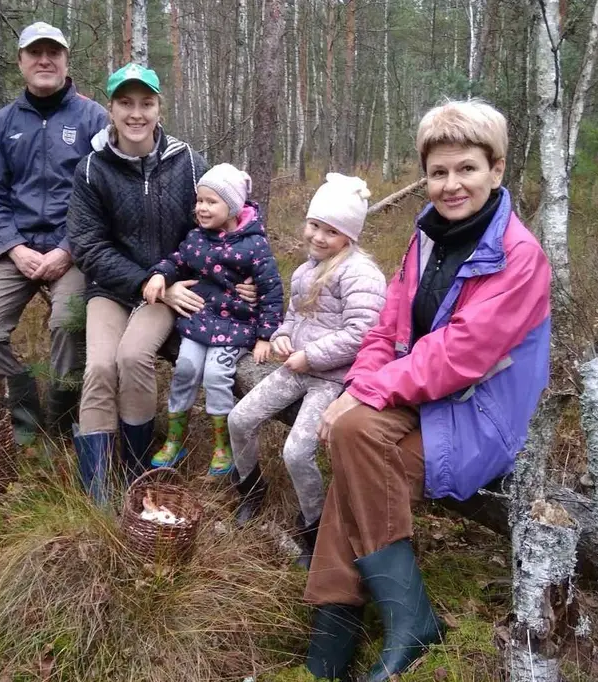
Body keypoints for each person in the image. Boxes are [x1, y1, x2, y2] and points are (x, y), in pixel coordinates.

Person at [303, 100, 552, 682]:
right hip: (424, 395)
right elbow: (388, 326)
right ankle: (393, 615)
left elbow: (462, 355)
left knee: (356, 444)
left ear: (496, 168)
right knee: (351, 432)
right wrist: (359, 387)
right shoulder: (426, 237)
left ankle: (352, 613)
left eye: (466, 168)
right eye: (438, 172)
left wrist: (363, 396)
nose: (451, 184)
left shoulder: (519, 256)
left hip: (479, 414)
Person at [66, 63, 257, 503]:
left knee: (133, 357)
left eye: (146, 104)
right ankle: (97, 488)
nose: (137, 114)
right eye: (126, 104)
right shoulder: (93, 170)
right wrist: (144, 282)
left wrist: (246, 276)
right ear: (110, 109)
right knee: (99, 367)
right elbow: (88, 246)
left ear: (158, 107)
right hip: (113, 287)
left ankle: (136, 472)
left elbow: (231, 210)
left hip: (174, 287)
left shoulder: (187, 162)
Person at [227, 174, 387, 569]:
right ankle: (250, 489)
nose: (318, 236)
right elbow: (294, 317)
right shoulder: (304, 271)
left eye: (331, 231)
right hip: (297, 367)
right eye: (315, 225)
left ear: (348, 236)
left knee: (297, 452)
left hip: (333, 380)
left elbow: (363, 333)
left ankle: (313, 525)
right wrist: (282, 337)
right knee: (239, 418)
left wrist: (310, 355)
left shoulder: (361, 274)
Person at [0, 22, 108, 444]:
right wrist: (13, 247)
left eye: (54, 53)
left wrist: (67, 249)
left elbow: (103, 194)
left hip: (75, 251)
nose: (45, 61)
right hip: (19, 249)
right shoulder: (3, 123)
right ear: (21, 62)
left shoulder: (93, 117)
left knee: (68, 323)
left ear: (66, 60)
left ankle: (63, 424)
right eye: (35, 53)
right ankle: (24, 413)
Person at [143, 163, 284, 477]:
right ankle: (175, 439)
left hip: (236, 326)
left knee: (217, 375)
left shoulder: (254, 245)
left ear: (232, 207)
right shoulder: (197, 238)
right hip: (200, 320)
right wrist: (159, 275)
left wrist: (265, 335)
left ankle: (224, 444)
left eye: (211, 202)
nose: (202, 208)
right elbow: (177, 261)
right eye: (199, 201)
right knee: (186, 370)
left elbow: (272, 290)